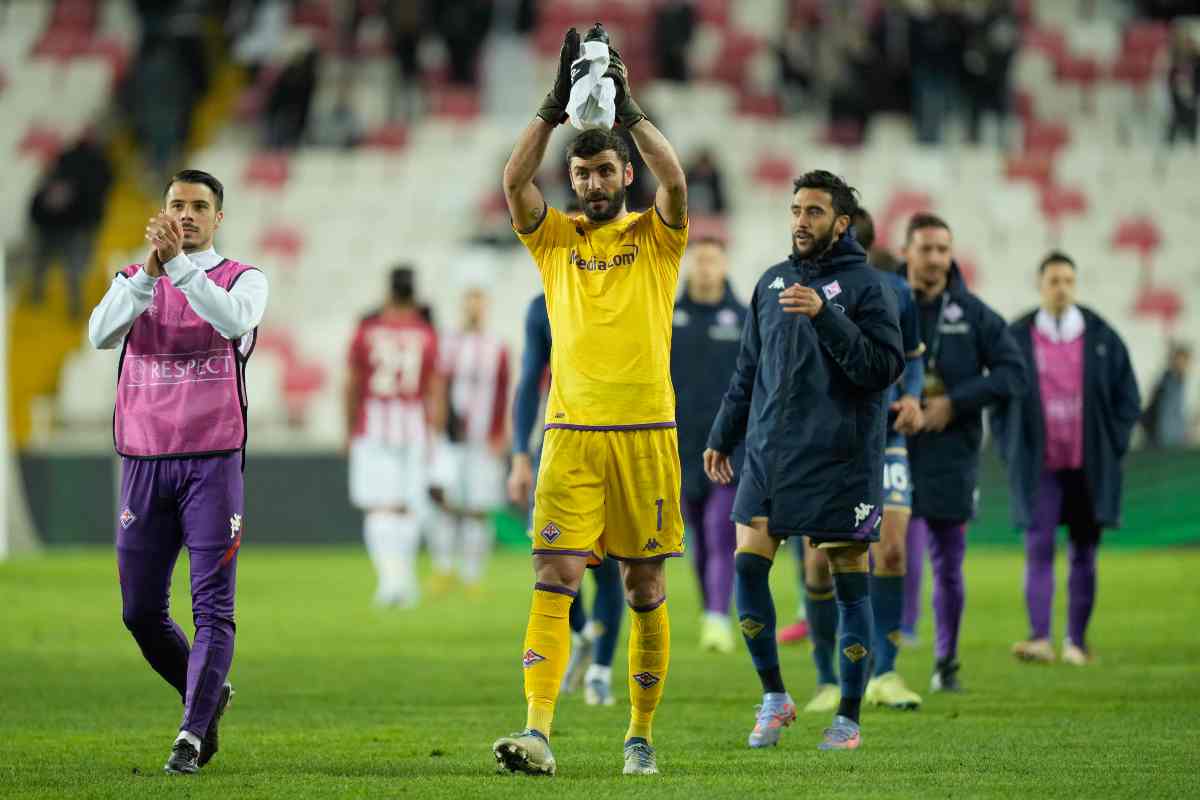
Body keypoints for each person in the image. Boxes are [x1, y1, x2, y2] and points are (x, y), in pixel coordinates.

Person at [491, 29, 689, 777]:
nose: (594, 183)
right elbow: (514, 185)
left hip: (646, 433)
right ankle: (538, 731)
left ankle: (639, 733)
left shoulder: (657, 237)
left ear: (624, 172)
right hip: (571, 434)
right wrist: (549, 108)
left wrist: (630, 109)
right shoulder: (554, 239)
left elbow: (676, 183)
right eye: (583, 173)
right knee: (554, 576)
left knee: (644, 586)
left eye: (606, 170)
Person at [705, 170, 904, 751]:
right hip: (769, 453)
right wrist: (723, 434)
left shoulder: (871, 288)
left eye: (814, 212)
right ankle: (774, 696)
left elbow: (881, 369)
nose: (800, 220)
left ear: (841, 223)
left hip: (841, 458)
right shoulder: (769, 283)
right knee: (748, 568)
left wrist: (824, 314)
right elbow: (748, 371)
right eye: (795, 209)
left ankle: (847, 717)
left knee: (848, 585)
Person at [87, 169, 268, 774]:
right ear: (160, 213)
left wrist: (181, 268)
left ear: (219, 217)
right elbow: (99, 334)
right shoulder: (135, 280)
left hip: (213, 463)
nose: (186, 215)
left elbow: (232, 323)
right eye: (175, 205)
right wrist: (150, 271)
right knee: (140, 612)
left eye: (198, 206)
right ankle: (208, 692)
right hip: (143, 461)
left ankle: (190, 736)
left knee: (212, 607)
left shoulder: (244, 279)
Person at [800, 207, 927, 715]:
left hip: (883, 436)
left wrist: (913, 397)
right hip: (824, 438)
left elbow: (914, 359)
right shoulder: (801, 287)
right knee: (819, 559)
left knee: (892, 550)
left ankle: (888, 672)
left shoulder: (895, 293)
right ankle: (827, 677)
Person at [902, 212, 1026, 692]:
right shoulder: (882, 302)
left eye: (942, 249)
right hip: (892, 447)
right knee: (884, 555)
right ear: (908, 251)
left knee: (948, 561)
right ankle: (881, 662)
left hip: (952, 453)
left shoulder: (974, 314)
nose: (935, 258)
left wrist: (955, 403)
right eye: (926, 248)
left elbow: (1013, 373)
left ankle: (945, 663)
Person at [998, 252, 1141, 665]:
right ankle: (1040, 638)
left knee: (1084, 551)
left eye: (1068, 280)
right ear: (1040, 285)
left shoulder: (1101, 336)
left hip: (1087, 465)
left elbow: (1128, 399)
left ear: (1074, 285)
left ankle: (1076, 642)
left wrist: (1111, 445)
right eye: (1054, 280)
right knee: (1038, 547)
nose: (1061, 287)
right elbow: (1000, 399)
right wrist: (1011, 447)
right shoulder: (1018, 336)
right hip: (1040, 466)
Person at [507, 293, 625, 707]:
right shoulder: (543, 305)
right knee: (556, 564)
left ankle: (600, 673)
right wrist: (520, 455)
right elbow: (528, 380)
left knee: (610, 568)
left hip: (617, 446)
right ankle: (580, 637)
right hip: (559, 449)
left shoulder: (627, 292)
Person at [344, 266, 445, 608]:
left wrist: (349, 428)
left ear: (388, 292)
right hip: (414, 424)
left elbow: (352, 383)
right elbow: (434, 388)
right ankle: (405, 581)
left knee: (378, 507)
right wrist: (435, 433)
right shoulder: (427, 333)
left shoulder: (367, 331)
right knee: (407, 507)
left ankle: (391, 582)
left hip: (375, 422)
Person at [670, 237, 747, 653]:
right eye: (698, 259)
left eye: (712, 259)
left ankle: (718, 614)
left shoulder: (743, 317)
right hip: (681, 445)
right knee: (698, 533)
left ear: (724, 265)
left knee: (722, 529)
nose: (704, 267)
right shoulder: (668, 314)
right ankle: (711, 610)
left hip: (729, 446)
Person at [428, 285, 509, 594]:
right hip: (449, 438)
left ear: (485, 309)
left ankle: (472, 575)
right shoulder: (448, 344)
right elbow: (438, 385)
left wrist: (500, 433)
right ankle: (443, 569)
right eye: (469, 305)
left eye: (479, 305)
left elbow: (503, 391)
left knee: (478, 507)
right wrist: (436, 428)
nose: (474, 311)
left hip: (483, 440)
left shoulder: (497, 347)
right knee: (444, 504)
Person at [29, 133, 114, 318]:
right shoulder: (90, 175)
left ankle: (69, 305)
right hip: (63, 230)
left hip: (67, 230)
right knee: (66, 269)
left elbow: (35, 209)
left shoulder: (66, 183)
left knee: (67, 269)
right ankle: (61, 303)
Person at [1142, 342, 1193, 448]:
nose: (1185, 365)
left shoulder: (1179, 382)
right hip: (1165, 440)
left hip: (1173, 439)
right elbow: (1165, 414)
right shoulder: (1168, 383)